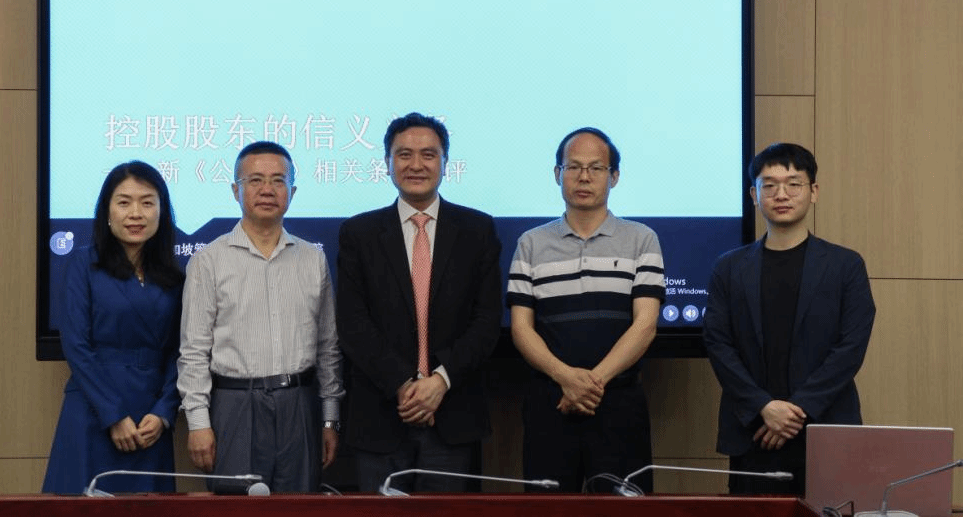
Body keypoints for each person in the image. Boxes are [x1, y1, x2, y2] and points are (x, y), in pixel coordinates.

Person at [336, 112, 502, 493]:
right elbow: (353, 324)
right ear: (387, 163)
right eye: (404, 154)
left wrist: (439, 382)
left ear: (445, 162)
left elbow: (486, 321)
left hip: (453, 416)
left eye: (428, 155)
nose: (416, 165)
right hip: (381, 417)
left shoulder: (477, 230)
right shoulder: (359, 233)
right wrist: (404, 385)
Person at [703, 143, 875, 496]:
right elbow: (718, 344)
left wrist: (797, 411)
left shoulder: (845, 266)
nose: (781, 194)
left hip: (826, 427)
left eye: (794, 184)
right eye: (769, 185)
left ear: (814, 191)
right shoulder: (729, 268)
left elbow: (851, 347)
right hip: (753, 430)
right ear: (754, 195)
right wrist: (763, 407)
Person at [177, 141, 343, 493]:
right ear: (235, 190)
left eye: (278, 180)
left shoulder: (312, 259)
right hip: (234, 406)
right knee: (235, 509)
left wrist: (330, 419)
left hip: (299, 404)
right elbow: (193, 352)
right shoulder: (208, 261)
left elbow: (328, 347)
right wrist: (198, 422)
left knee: (299, 508)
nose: (267, 189)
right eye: (255, 180)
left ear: (292, 192)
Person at [506, 127, 664, 494]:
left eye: (596, 168)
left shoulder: (642, 239)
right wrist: (566, 378)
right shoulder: (530, 244)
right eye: (573, 167)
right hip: (551, 402)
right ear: (557, 174)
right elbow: (521, 329)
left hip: (618, 401)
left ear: (614, 176)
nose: (584, 177)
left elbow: (645, 324)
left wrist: (592, 384)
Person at [43, 161, 185, 494]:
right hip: (94, 411)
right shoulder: (83, 263)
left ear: (162, 212)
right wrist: (113, 415)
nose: (136, 213)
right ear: (107, 211)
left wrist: (163, 412)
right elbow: (76, 346)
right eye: (124, 202)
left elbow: (182, 352)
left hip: (149, 420)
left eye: (147, 203)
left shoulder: (175, 277)